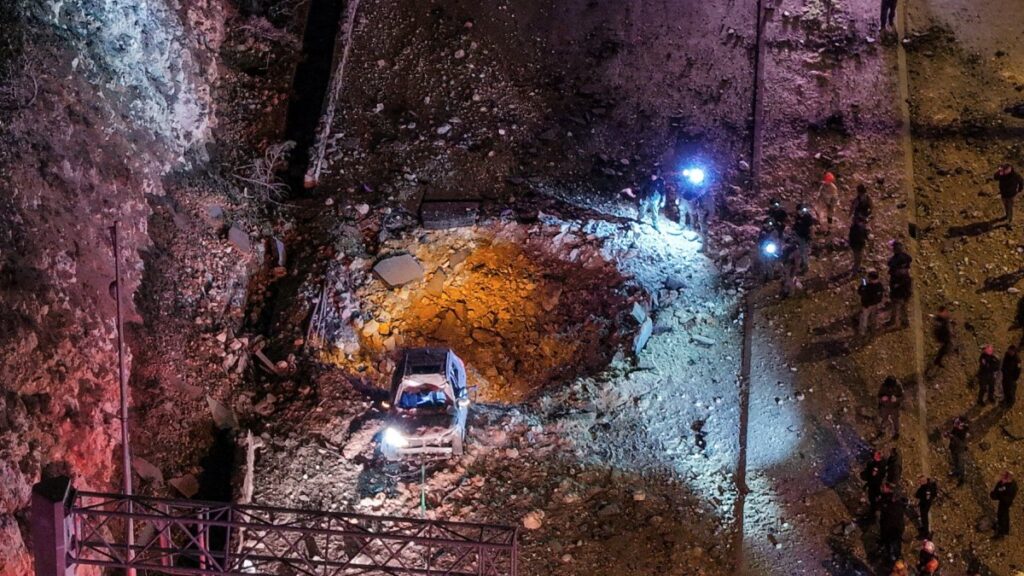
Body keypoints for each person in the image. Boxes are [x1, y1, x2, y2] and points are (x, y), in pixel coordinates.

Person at [878, 485, 906, 561]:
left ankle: (893, 557)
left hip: (893, 529)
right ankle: (885, 547)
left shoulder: (896, 506)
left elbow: (887, 512)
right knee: (889, 541)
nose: (892, 498)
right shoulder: (897, 504)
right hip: (890, 526)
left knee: (893, 544)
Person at [990, 471, 1018, 538]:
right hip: (1004, 501)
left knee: (1003, 515)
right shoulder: (1006, 484)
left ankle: (1003, 532)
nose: (1002, 478)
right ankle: (1002, 527)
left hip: (1005, 502)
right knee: (1001, 514)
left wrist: (996, 495)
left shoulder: (1010, 487)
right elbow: (997, 490)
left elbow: (1000, 494)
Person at [858, 270, 885, 335]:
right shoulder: (879, 285)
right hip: (875, 304)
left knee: (864, 319)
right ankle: (873, 330)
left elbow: (861, 292)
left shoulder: (868, 286)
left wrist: (863, 283)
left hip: (867, 305)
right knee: (874, 318)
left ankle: (862, 332)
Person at [793, 203, 815, 273]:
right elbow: (795, 225)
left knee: (804, 252)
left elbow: (811, 228)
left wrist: (811, 236)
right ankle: (802, 263)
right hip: (799, 235)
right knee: (799, 251)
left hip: (805, 237)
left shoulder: (808, 217)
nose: (801, 212)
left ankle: (805, 265)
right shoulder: (798, 217)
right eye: (799, 210)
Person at [947, 416, 969, 486]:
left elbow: (961, 443)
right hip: (953, 448)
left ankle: (961, 479)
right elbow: (952, 434)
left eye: (958, 423)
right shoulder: (956, 428)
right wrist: (949, 435)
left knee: (961, 465)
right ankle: (956, 472)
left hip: (960, 451)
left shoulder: (964, 432)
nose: (955, 424)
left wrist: (952, 437)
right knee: (955, 462)